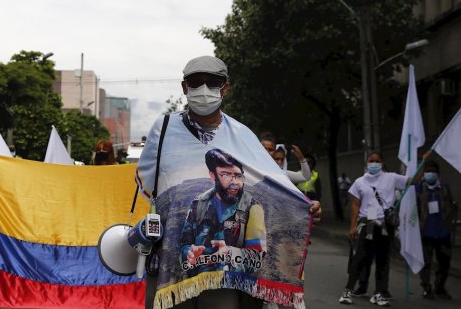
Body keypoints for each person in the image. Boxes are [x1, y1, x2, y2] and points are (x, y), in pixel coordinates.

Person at [138, 56, 321, 309]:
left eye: (213, 83)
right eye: (195, 82)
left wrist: (304, 207)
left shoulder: (243, 135)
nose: (204, 90)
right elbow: (144, 187)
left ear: (225, 88)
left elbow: (274, 188)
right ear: (184, 87)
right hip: (169, 264)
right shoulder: (164, 128)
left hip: (225, 274)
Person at [339, 151, 427, 306]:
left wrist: (423, 164)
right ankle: (348, 291)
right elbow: (355, 205)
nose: (374, 163)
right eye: (371, 160)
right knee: (360, 259)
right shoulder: (360, 182)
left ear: (382, 162)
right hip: (367, 225)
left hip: (385, 226)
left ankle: (379, 293)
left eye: (377, 161)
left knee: (383, 261)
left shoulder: (392, 178)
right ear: (367, 163)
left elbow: (413, 181)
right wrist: (353, 226)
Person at [179, 149, 266, 277]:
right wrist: (190, 254)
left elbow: (257, 256)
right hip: (198, 284)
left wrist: (230, 253)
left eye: (238, 176)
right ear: (213, 176)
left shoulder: (252, 208)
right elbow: (184, 244)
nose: (234, 182)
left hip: (233, 285)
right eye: (225, 175)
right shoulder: (198, 204)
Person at [416, 160, 456, 300]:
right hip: (425, 232)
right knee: (425, 262)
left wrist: (450, 221)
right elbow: (413, 209)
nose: (430, 174)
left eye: (433, 171)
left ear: (438, 173)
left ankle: (440, 287)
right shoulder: (419, 188)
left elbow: (451, 206)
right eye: (427, 171)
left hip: (443, 233)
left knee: (444, 262)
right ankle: (426, 288)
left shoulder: (445, 188)